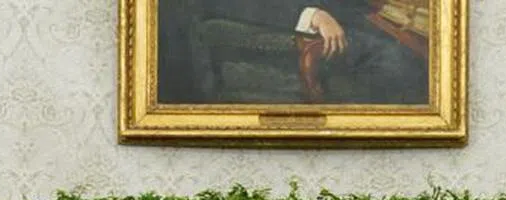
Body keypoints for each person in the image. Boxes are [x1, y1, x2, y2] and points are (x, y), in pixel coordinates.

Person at [160, 0, 427, 104]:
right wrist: (311, 14)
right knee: (402, 66)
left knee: (416, 55)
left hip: (351, 18)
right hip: (290, 33)